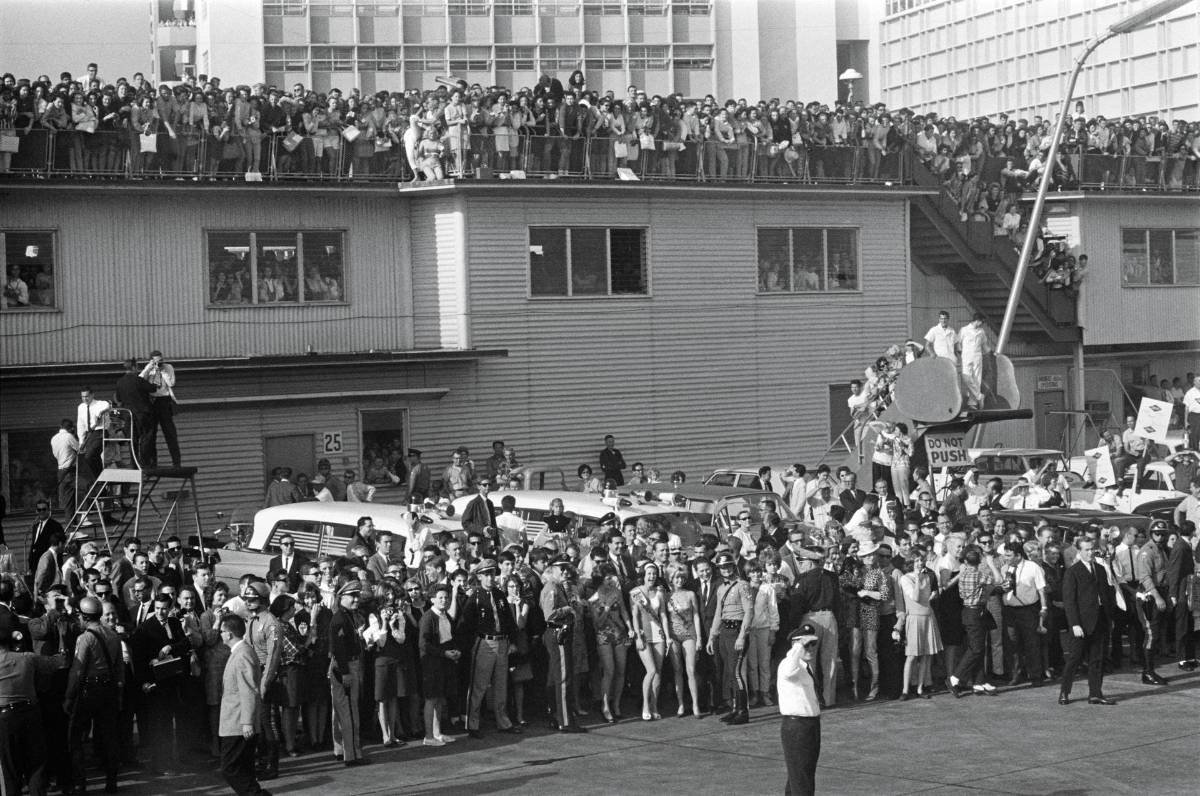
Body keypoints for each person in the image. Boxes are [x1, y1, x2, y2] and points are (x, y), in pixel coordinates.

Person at [64, 595, 123, 794]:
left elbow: (77, 671)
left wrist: (69, 696)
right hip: (108, 691)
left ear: (84, 617)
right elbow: (119, 667)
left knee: (76, 736)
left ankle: (80, 783)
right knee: (109, 737)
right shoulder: (113, 636)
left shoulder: (85, 638)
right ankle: (112, 781)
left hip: (89, 691)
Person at [1, 612, 63, 796]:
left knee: (9, 770)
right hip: (30, 714)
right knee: (36, 766)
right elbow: (57, 662)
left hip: (4, 719)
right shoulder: (27, 658)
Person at [460, 559, 521, 738]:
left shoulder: (499, 594)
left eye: (492, 574)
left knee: (501, 684)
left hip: (502, 642)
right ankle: (473, 724)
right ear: (479, 577)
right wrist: (470, 645)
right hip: (485, 643)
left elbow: (509, 620)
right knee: (479, 685)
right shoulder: (476, 597)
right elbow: (466, 624)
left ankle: (503, 721)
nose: (489, 578)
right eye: (486, 575)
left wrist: (513, 640)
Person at [1057, 537, 1117, 706]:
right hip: (1081, 623)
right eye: (1086, 550)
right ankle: (1064, 692)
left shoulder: (1099, 568)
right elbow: (1069, 601)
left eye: (1092, 549)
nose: (1090, 553)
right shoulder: (1073, 572)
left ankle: (1095, 693)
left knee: (1097, 659)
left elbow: (1106, 594)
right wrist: (1074, 624)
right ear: (1079, 552)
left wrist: (1109, 618)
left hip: (1100, 620)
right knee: (1074, 659)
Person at [217, 613, 270, 796]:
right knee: (244, 768)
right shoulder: (241, 652)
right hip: (238, 722)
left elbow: (249, 690)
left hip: (238, 724)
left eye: (222, 631)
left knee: (230, 767)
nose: (220, 634)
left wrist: (247, 721)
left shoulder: (242, 655)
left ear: (229, 634)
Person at [707, 551, 754, 725]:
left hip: (737, 630)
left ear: (733, 566)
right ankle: (735, 708)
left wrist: (742, 636)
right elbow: (718, 614)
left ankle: (743, 711)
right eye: (721, 567)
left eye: (727, 566)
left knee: (737, 673)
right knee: (730, 673)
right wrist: (712, 636)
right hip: (725, 631)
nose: (725, 570)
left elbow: (749, 611)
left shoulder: (743, 585)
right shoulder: (720, 588)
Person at [540, 557, 585, 733]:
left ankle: (557, 715)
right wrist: (568, 609)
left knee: (555, 677)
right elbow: (549, 615)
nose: (565, 572)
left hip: (561, 632)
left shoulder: (558, 587)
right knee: (564, 677)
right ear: (552, 569)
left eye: (567, 569)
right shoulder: (552, 588)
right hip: (557, 632)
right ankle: (566, 721)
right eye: (561, 569)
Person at [778, 623, 822, 796]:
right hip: (797, 728)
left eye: (813, 644)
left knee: (802, 776)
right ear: (796, 645)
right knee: (801, 781)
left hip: (810, 726)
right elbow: (789, 671)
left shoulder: (805, 666)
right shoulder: (787, 664)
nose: (811, 648)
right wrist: (798, 646)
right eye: (807, 645)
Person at [328, 579, 367, 765]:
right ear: (341, 596)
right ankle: (352, 754)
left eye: (357, 595)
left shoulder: (347, 615)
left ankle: (340, 749)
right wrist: (345, 673)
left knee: (340, 710)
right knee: (349, 711)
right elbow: (338, 649)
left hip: (345, 665)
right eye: (352, 595)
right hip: (344, 666)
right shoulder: (340, 618)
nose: (356, 599)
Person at [419, 583, 461, 746]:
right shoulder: (428, 618)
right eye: (440, 598)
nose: (444, 600)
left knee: (438, 698)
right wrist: (443, 653)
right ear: (432, 600)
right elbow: (424, 644)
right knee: (431, 699)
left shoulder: (446, 616)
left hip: (444, 662)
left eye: (446, 597)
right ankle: (428, 737)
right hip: (431, 663)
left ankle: (437, 733)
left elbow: (450, 637)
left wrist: (455, 651)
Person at [630, 560, 669, 721]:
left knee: (658, 672)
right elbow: (635, 616)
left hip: (658, 634)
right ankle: (645, 705)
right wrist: (638, 637)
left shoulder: (660, 593)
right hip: (644, 634)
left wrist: (667, 637)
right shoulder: (635, 592)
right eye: (649, 574)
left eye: (654, 574)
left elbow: (663, 616)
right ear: (643, 576)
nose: (652, 576)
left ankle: (654, 706)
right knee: (651, 670)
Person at [140, 350, 180, 467]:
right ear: (152, 360)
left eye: (161, 360)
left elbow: (171, 383)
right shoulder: (149, 368)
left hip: (164, 400)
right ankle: (152, 462)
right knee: (151, 433)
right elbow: (139, 381)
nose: (159, 363)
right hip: (152, 402)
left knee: (170, 432)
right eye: (157, 361)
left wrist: (162, 370)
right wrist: (149, 368)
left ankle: (176, 462)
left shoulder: (168, 367)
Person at [114, 358, 156, 467]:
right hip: (142, 414)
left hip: (128, 415)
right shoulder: (139, 380)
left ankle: (134, 463)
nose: (138, 369)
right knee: (147, 437)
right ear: (133, 367)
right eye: (137, 367)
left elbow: (118, 398)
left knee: (133, 440)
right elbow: (154, 388)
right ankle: (144, 461)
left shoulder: (120, 382)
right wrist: (157, 375)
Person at [76, 387, 111, 493]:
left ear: (92, 395)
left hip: (100, 431)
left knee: (90, 455)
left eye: (87, 396)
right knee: (90, 458)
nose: (84, 399)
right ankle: (101, 479)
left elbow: (107, 405)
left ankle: (101, 479)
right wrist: (81, 441)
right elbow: (80, 424)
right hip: (90, 434)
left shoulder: (100, 404)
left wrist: (99, 413)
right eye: (83, 396)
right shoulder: (81, 407)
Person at [959, 313, 990, 409]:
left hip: (977, 357)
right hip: (966, 357)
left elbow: (984, 345)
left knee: (977, 379)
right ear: (977, 320)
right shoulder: (964, 330)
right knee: (966, 377)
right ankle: (979, 396)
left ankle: (972, 403)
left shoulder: (981, 332)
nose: (982, 324)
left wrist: (991, 353)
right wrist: (960, 354)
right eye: (981, 322)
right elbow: (958, 343)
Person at [50, 420, 79, 519]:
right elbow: (80, 449)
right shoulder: (69, 436)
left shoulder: (54, 438)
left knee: (68, 499)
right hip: (70, 470)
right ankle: (83, 517)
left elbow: (55, 454)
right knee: (83, 490)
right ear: (71, 428)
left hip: (61, 470)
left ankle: (72, 524)